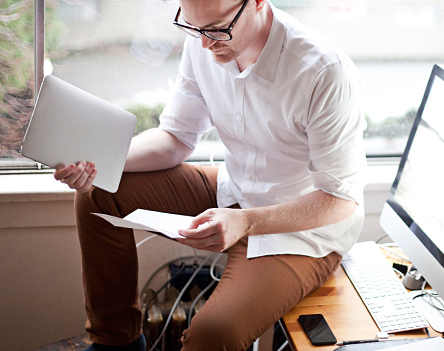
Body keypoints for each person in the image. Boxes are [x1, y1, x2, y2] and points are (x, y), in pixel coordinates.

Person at [53, 0, 366, 349]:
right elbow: (175, 139)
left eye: (217, 28)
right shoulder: (205, 39)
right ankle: (116, 343)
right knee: (99, 190)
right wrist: (100, 160)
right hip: (232, 193)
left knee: (212, 336)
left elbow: (341, 198)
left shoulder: (323, 71)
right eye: (191, 26)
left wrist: (246, 222)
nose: (204, 43)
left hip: (303, 231)